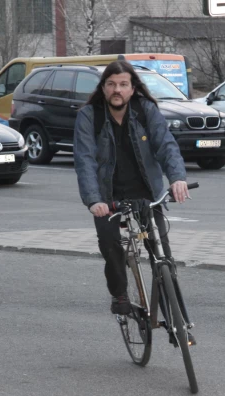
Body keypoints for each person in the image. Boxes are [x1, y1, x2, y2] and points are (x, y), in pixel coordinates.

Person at [73, 60, 190, 317]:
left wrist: (177, 178)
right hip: (108, 197)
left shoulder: (145, 110)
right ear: (103, 88)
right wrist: (94, 201)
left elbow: (166, 146)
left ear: (133, 88)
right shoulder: (89, 116)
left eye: (123, 84)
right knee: (110, 242)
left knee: (163, 255)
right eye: (111, 84)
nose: (117, 89)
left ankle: (175, 318)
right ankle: (120, 294)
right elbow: (85, 161)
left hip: (146, 194)